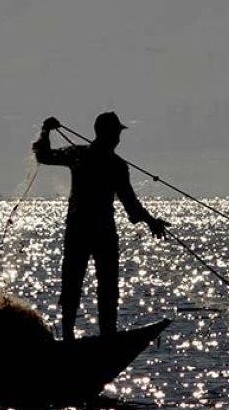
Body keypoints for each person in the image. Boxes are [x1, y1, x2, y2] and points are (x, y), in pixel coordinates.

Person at [33, 112, 170, 339]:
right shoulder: (112, 164)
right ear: (108, 134)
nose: (118, 138)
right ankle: (101, 336)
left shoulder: (83, 155)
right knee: (99, 286)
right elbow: (131, 206)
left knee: (76, 283)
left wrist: (46, 131)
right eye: (116, 133)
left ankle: (74, 336)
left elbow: (43, 155)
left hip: (82, 230)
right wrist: (151, 222)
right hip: (99, 233)